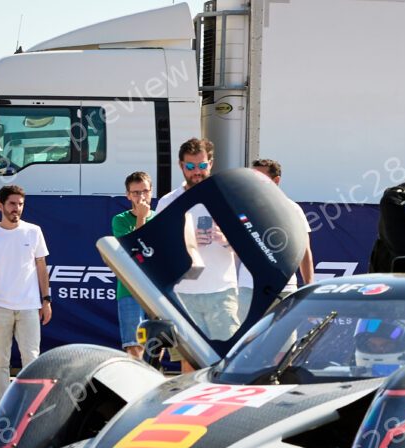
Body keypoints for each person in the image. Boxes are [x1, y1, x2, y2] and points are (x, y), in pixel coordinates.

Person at [157, 138, 241, 364]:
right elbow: (159, 247)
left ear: (211, 164)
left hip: (222, 291)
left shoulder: (228, 197)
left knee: (226, 360)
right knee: (189, 362)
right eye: (191, 167)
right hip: (183, 293)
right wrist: (186, 241)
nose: (197, 172)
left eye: (202, 166)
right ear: (180, 166)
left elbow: (247, 245)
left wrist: (227, 240)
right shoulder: (168, 202)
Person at [0, 185, 51, 399]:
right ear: (0, 205)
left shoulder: (34, 231)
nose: (17, 208)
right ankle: (5, 409)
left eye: (20, 204)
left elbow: (41, 267)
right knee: (0, 361)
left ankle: (28, 408)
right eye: (12, 204)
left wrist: (46, 300)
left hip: (29, 306)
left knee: (32, 360)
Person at [249, 158, 316, 313]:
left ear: (276, 180)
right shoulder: (242, 206)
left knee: (285, 337)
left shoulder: (293, 209)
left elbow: (304, 251)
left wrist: (308, 287)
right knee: (249, 338)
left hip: (284, 289)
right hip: (248, 289)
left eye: (261, 178)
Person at [111, 171, 155, 360]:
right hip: (130, 290)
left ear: (151, 192)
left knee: (157, 345)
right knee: (134, 345)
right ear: (128, 195)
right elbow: (135, 250)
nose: (141, 197)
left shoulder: (160, 217)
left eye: (145, 191)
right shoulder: (120, 220)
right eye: (136, 193)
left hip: (156, 290)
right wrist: (142, 218)